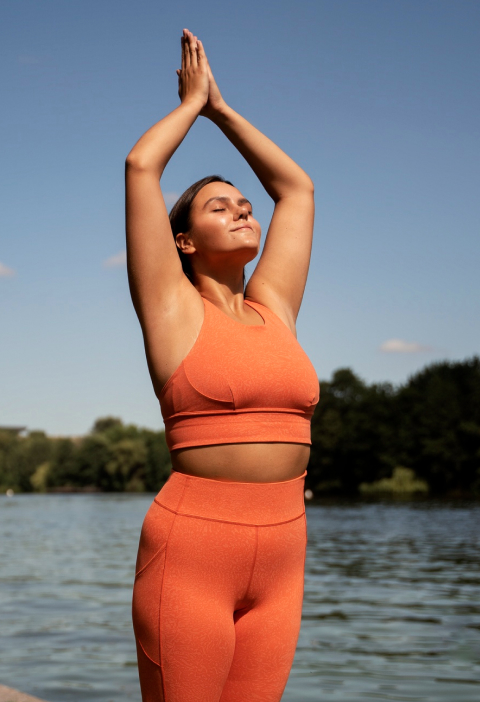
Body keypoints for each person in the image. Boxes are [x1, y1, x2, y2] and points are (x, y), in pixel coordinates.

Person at [126, 28, 319, 702]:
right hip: (193, 551)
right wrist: (189, 105)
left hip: (285, 554)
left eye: (244, 206)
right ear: (183, 240)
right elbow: (141, 167)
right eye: (219, 207)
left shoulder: (275, 310)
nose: (242, 210)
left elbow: (295, 189)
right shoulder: (171, 309)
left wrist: (223, 110)